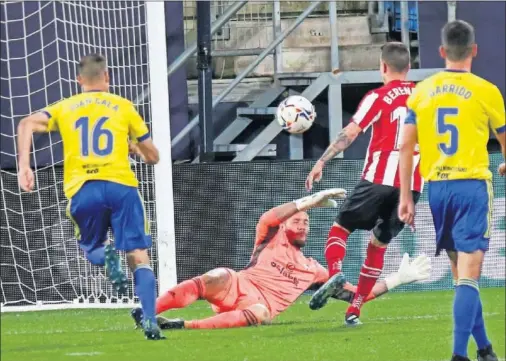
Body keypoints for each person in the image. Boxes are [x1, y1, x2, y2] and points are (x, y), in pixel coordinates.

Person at [16, 53, 164, 340]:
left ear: (79, 80)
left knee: (91, 246)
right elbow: (154, 156)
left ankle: (105, 257)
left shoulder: (66, 107)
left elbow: (25, 124)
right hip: (121, 187)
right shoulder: (124, 106)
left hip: (83, 189)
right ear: (107, 77)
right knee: (139, 255)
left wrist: (24, 166)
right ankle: (149, 320)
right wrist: (134, 148)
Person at [130, 189, 431, 330]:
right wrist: (307, 202)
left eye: (307, 222)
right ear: (286, 225)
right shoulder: (269, 236)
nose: (302, 224)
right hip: (237, 285)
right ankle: (147, 311)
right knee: (217, 274)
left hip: (257, 306)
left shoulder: (313, 270)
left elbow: (355, 294)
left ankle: (183, 325)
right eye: (296, 221)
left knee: (261, 312)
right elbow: (268, 217)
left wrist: (397, 279)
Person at [398, 20, 504, 361]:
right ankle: (459, 356)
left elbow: (405, 148)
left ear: (442, 51)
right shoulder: (487, 90)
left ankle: (485, 350)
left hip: (438, 189)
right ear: (474, 50)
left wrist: (405, 196)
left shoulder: (421, 91)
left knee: (461, 276)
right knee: (468, 277)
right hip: (472, 187)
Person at [305, 41, 423, 326]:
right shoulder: (425, 97)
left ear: (383, 66)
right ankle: (354, 310)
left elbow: (351, 132)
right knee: (378, 245)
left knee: (341, 227)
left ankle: (335, 273)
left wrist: (322, 161)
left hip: (378, 179)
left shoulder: (378, 96)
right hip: (412, 184)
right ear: (408, 68)